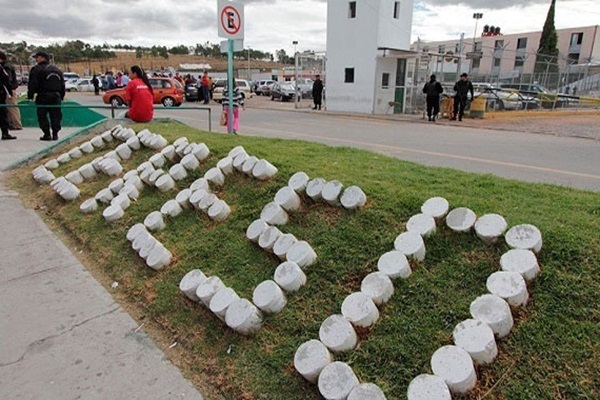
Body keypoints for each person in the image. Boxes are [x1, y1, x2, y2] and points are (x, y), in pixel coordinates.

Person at [27, 50, 65, 141]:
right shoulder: (57, 69)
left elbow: (32, 84)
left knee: (42, 115)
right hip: (56, 96)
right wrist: (62, 96)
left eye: (37, 57)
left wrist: (30, 96)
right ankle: (55, 134)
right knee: (56, 115)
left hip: (43, 96)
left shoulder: (36, 69)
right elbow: (62, 84)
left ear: (42, 58)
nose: (36, 59)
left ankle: (47, 134)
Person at [0, 50, 22, 131]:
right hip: (9, 89)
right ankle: (13, 124)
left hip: (8, 90)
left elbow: (7, 79)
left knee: (11, 108)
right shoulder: (7, 65)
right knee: (10, 108)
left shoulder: (5, 67)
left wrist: (7, 89)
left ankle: (16, 124)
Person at [0, 51, 16, 140]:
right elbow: (6, 81)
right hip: (1, 93)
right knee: (2, 113)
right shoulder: (2, 68)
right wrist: (9, 93)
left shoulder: (4, 67)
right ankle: (5, 133)